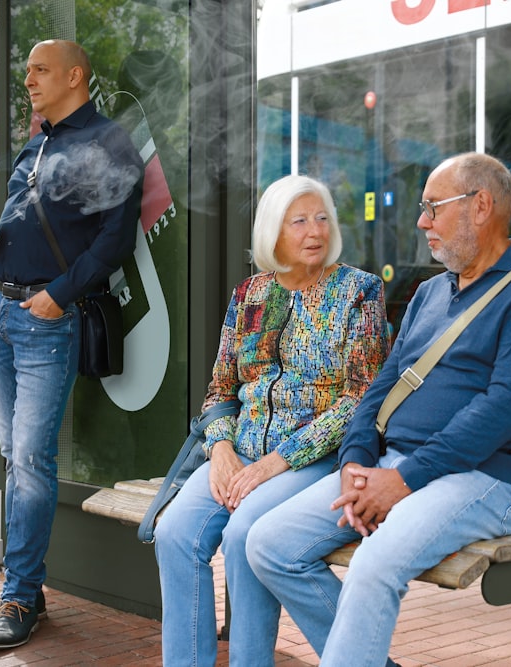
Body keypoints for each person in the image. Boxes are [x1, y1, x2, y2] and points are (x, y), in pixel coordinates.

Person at [246, 152, 511, 667]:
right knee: (268, 543)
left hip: (488, 477)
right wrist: (356, 462)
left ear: (481, 206)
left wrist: (403, 480)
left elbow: (502, 410)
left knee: (374, 563)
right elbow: (382, 388)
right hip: (395, 466)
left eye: (433, 208)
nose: (422, 222)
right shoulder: (429, 292)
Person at [0, 40, 143, 649]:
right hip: (0, 315)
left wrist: (61, 293)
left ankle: (19, 596)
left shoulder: (109, 144)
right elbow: (32, 221)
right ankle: (21, 590)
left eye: (38, 69)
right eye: (26, 69)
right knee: (18, 460)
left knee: (30, 462)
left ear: (74, 75)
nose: (27, 78)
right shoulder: (39, 141)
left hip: (44, 321)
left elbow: (115, 239)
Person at [154, 174, 390, 667]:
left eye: (321, 218)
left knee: (243, 537)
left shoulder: (358, 291)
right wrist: (220, 450)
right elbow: (221, 387)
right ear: (272, 232)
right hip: (239, 451)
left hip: (312, 456)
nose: (314, 231)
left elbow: (360, 399)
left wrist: (277, 462)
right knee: (175, 531)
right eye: (299, 220)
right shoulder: (250, 295)